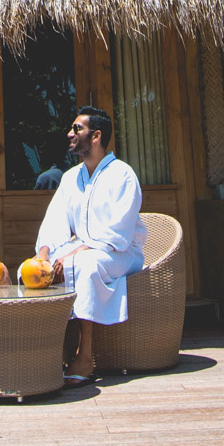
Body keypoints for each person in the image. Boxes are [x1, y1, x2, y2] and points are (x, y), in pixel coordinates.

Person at [35, 106, 147, 385]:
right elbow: (54, 220)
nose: (70, 133)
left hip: (120, 252)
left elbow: (118, 233)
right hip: (83, 248)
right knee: (36, 269)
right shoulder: (71, 177)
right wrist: (44, 252)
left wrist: (77, 251)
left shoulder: (123, 175)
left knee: (83, 264)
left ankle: (85, 357)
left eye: (77, 129)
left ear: (96, 136)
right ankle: (49, 351)